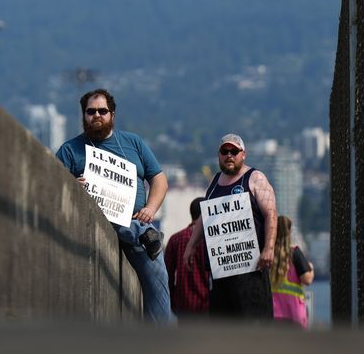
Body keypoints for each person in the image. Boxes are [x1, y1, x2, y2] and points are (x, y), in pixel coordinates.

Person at [55, 88, 175, 324]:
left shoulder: (134, 143)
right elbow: (53, 189)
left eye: (102, 111)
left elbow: (159, 180)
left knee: (158, 275)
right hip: (95, 224)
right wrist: (72, 187)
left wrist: (150, 209)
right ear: (83, 115)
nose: (97, 115)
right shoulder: (69, 151)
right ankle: (141, 233)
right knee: (137, 231)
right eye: (91, 112)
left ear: (112, 114)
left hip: (138, 227)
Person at [184, 133, 277, 321]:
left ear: (243, 154)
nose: (229, 155)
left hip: (250, 268)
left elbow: (271, 214)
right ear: (218, 155)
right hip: (220, 271)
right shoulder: (214, 182)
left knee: (253, 326)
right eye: (224, 151)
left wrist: (269, 248)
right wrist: (191, 245)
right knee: (222, 327)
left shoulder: (255, 178)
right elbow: (205, 216)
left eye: (234, 151)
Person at [164, 197, 211, 318]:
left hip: (183, 304)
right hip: (209, 304)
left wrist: (172, 301)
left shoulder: (175, 239)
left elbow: (167, 275)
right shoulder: (212, 238)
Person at [270, 215, 314, 328]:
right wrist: (311, 268)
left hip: (273, 315)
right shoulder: (295, 253)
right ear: (289, 232)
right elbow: (307, 279)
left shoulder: (268, 254)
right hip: (294, 315)